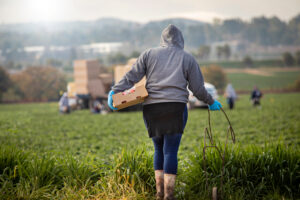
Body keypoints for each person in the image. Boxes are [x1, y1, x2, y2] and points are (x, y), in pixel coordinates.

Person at [107, 24, 222, 200]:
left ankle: (159, 194)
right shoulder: (187, 58)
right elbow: (197, 88)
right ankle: (169, 196)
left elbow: (132, 76)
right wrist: (211, 102)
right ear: (180, 40)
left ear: (162, 39)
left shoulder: (148, 54)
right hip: (176, 107)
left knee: (158, 149)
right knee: (170, 151)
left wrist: (114, 91)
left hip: (152, 108)